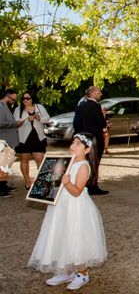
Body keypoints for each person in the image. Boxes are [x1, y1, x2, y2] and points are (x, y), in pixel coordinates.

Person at [28, 133, 107, 291]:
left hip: (76, 208)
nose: (73, 146)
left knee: (75, 238)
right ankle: (66, 270)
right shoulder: (66, 162)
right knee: (61, 236)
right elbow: (54, 182)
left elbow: (77, 191)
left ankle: (82, 273)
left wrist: (67, 182)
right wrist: (39, 183)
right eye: (73, 142)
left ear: (87, 149)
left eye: (78, 144)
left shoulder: (84, 166)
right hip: (60, 206)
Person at [72, 86, 108, 195]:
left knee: (84, 162)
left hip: (83, 139)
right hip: (95, 139)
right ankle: (93, 187)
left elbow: (76, 123)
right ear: (93, 94)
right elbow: (102, 123)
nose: (100, 94)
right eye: (99, 93)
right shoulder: (96, 106)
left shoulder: (81, 105)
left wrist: (81, 135)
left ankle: (83, 184)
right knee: (94, 163)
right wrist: (104, 116)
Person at [14, 91, 50, 189]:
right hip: (24, 138)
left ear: (32, 99)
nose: (25, 100)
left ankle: (41, 182)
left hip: (38, 137)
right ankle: (27, 182)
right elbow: (16, 123)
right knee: (24, 160)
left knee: (40, 159)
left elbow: (47, 118)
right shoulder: (18, 109)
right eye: (23, 98)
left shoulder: (39, 107)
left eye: (27, 98)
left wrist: (39, 118)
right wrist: (26, 119)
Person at [0, 89, 23, 197]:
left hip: (8, 142)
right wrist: (14, 124)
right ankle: (1, 190)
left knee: (6, 166)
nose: (13, 102)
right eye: (13, 100)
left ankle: (4, 185)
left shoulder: (5, 107)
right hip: (3, 141)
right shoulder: (0, 106)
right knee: (2, 166)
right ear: (7, 97)